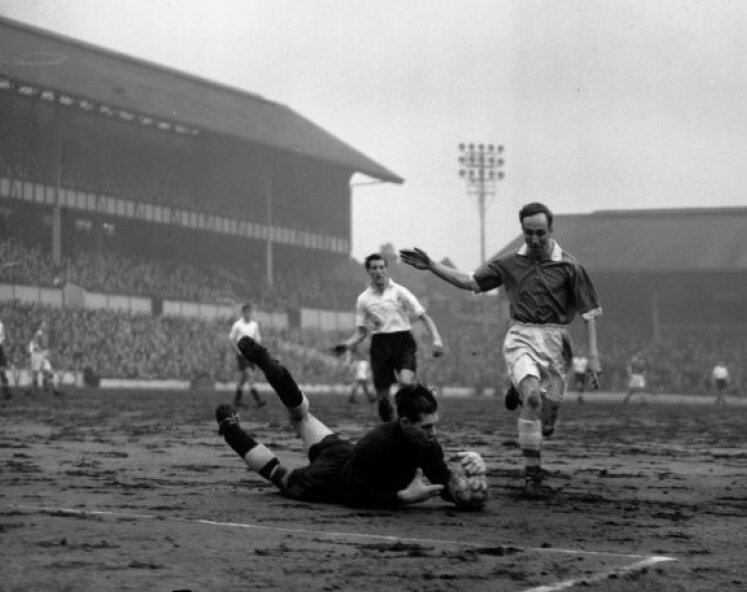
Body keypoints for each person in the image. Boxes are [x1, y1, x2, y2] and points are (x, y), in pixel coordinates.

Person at [400, 201, 603, 499]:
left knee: (546, 424)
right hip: (521, 335)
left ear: (551, 230)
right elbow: (469, 281)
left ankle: (525, 395)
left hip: (557, 342)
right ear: (522, 230)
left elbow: (589, 314)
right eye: (528, 233)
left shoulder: (570, 266)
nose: (534, 240)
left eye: (540, 233)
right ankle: (533, 477)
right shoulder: (510, 263)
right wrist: (432, 265)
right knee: (532, 400)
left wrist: (595, 356)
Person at [215, 337, 484, 508]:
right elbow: (354, 495)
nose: (433, 433)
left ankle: (266, 363)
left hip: (343, 453)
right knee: (282, 478)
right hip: (330, 480)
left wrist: (472, 478)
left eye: (434, 425)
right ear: (404, 422)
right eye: (426, 427)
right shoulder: (376, 443)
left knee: (302, 416)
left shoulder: (429, 446)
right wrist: (402, 498)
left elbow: (447, 484)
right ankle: (230, 430)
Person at [332, 253, 444, 422]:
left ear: (386, 269)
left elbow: (424, 317)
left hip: (403, 341)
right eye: (374, 268)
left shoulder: (400, 291)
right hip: (380, 345)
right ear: (369, 271)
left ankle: (425, 390)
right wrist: (347, 344)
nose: (379, 271)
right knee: (383, 404)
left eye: (381, 267)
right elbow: (361, 332)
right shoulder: (363, 299)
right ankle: (393, 431)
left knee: (406, 382)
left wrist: (437, 339)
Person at [228, 304, 266, 408]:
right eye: (246, 312)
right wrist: (237, 350)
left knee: (243, 378)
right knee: (249, 375)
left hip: (251, 354)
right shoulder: (238, 324)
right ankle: (258, 400)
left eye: (250, 312)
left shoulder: (254, 325)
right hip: (242, 354)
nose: (248, 314)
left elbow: (258, 338)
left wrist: (258, 350)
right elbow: (231, 338)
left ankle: (237, 401)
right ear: (243, 313)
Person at [27, 320, 59, 395]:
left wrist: (47, 352)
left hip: (43, 355)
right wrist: (43, 352)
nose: (46, 326)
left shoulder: (45, 335)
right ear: (40, 326)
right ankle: (29, 389)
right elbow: (36, 346)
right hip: (37, 355)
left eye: (46, 324)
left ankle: (56, 389)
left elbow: (45, 347)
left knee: (50, 371)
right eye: (44, 324)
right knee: (35, 373)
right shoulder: (38, 334)